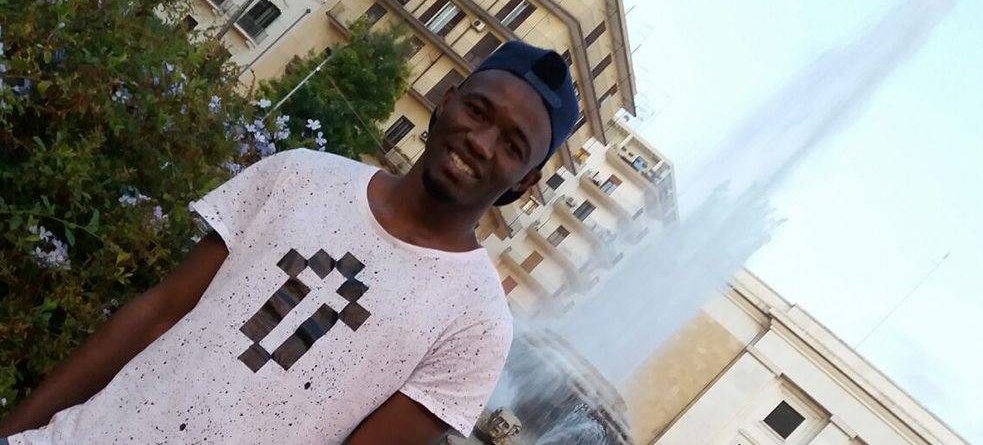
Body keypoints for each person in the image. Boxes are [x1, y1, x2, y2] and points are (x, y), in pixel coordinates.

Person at [0, 41, 580, 444]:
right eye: (478, 110)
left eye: (512, 145)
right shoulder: (302, 176)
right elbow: (159, 311)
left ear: (526, 181)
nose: (480, 142)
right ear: (447, 99)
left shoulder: (475, 325)